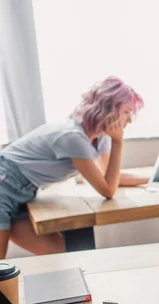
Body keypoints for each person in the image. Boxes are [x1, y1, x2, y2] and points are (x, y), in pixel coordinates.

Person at [0, 76, 146, 259]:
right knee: (2, 269)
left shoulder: (98, 137)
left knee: (65, 257)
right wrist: (118, 142)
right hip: (4, 184)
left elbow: (110, 178)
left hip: (23, 193)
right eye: (127, 112)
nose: (129, 121)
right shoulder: (73, 137)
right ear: (109, 109)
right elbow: (108, 190)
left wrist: (156, 178)